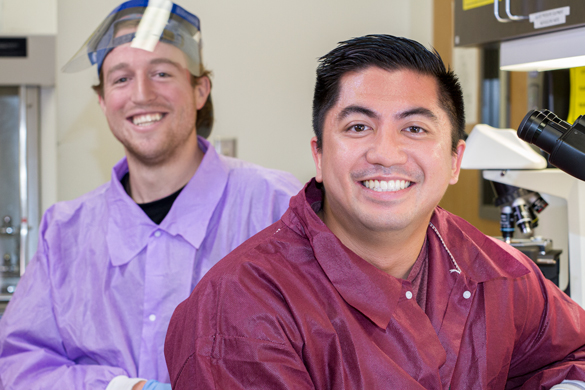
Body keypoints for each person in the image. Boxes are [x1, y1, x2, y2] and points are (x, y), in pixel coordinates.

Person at [164, 34, 585, 389]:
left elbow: (572, 352)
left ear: (455, 160)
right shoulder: (239, 311)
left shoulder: (496, 271)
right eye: (358, 127)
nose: (385, 152)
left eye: (414, 128)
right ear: (320, 155)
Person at [0, 1, 301, 389]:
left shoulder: (277, 207)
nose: (141, 94)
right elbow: (17, 366)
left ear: (200, 90)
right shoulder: (63, 232)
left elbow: (328, 351)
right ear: (103, 101)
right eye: (121, 79)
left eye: (161, 73)